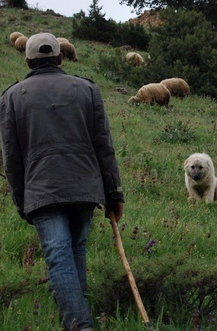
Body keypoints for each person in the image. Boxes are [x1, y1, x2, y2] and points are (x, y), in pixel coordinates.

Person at [0, 32, 124, 331]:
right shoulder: (87, 89)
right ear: (60, 57)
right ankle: (74, 315)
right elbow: (103, 146)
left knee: (58, 257)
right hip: (85, 187)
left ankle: (79, 325)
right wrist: (114, 192)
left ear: (27, 60)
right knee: (75, 251)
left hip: (42, 189)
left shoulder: (11, 97)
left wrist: (22, 200)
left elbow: (11, 159)